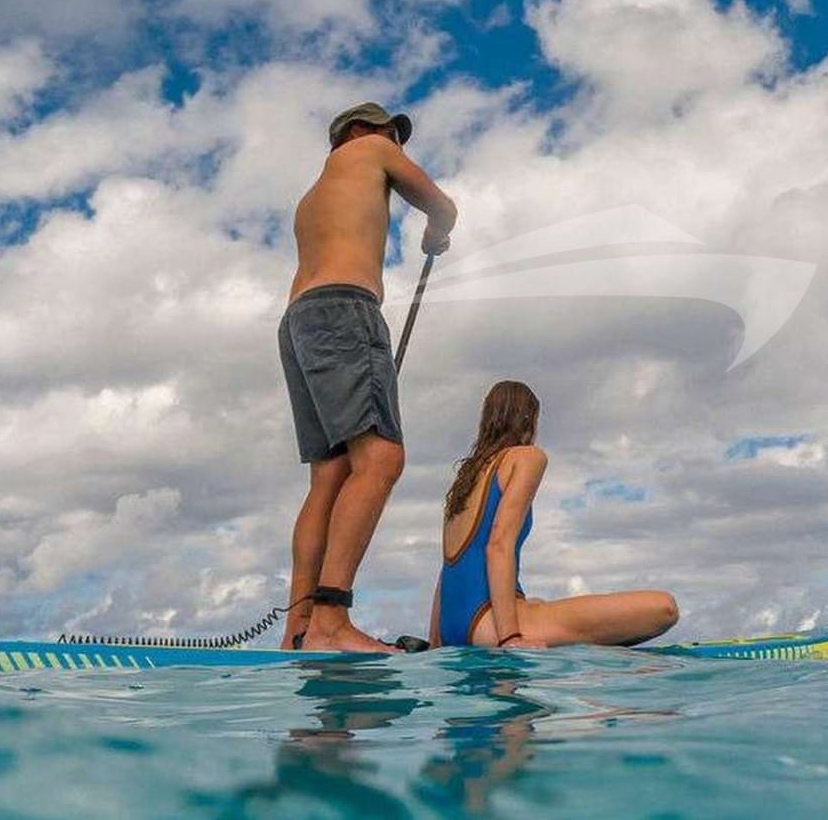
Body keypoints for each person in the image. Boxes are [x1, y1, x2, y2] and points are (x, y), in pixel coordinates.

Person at [280, 102, 458, 653]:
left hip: (299, 321)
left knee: (330, 478)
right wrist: (434, 232)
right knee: (382, 459)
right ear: (357, 132)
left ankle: (300, 629)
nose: (397, 148)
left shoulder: (312, 197)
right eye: (391, 136)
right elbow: (443, 206)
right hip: (344, 310)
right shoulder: (369, 151)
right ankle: (332, 621)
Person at [430, 380, 680, 649]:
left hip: (454, 626)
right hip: (490, 624)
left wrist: (435, 643)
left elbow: (447, 567)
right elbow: (498, 544)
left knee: (538, 605)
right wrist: (510, 639)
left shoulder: (466, 479)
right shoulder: (526, 457)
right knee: (664, 608)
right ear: (529, 420)